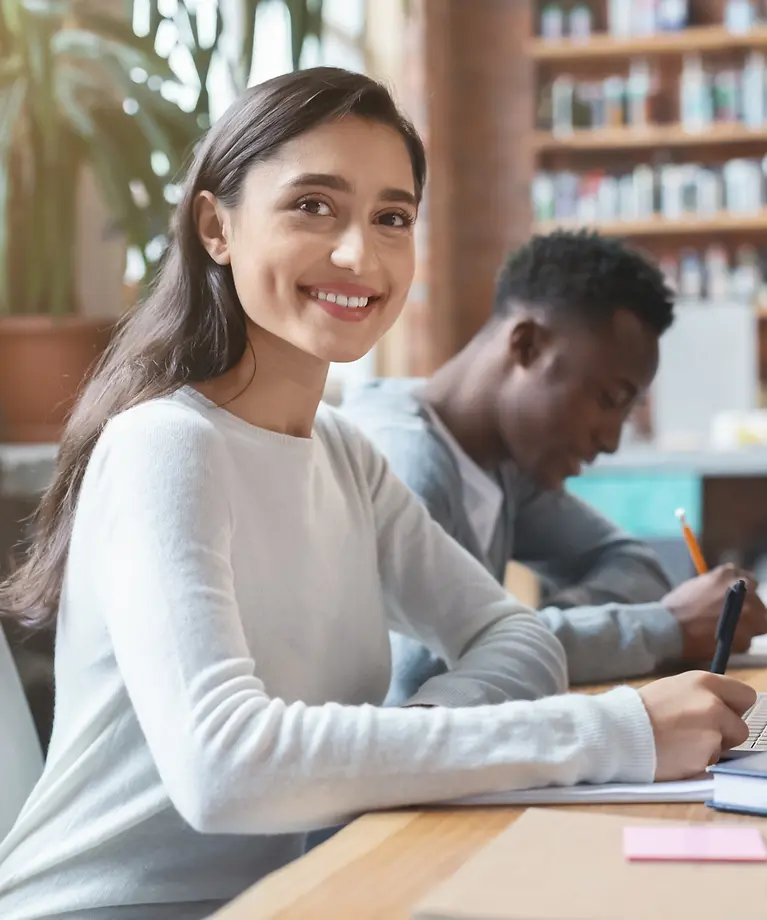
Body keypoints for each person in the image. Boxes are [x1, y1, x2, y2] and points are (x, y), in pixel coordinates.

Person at [0, 68, 756, 920]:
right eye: (312, 206)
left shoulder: (344, 454)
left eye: (390, 217)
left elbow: (514, 637)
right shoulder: (165, 446)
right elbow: (227, 770)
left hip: (315, 886)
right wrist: (610, 732)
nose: (359, 254)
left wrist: (408, 748)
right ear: (217, 226)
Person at [341, 232, 767, 703]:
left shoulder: (501, 464)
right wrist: (662, 628)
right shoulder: (404, 461)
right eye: (608, 400)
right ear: (526, 345)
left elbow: (634, 566)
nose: (609, 440)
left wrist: (527, 632)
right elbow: (431, 679)